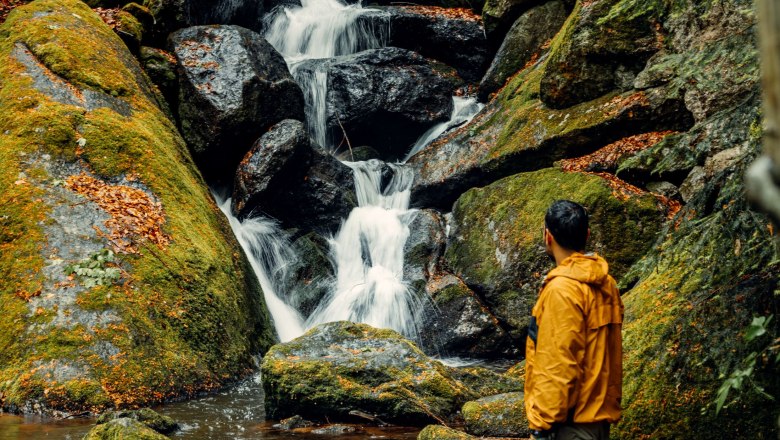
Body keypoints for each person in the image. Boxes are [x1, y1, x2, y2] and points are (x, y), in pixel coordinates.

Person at [524, 200, 624, 440]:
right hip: (598, 421)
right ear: (587, 234)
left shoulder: (561, 290)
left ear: (547, 236)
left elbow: (558, 364)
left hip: (569, 427)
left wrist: (541, 425)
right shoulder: (606, 282)